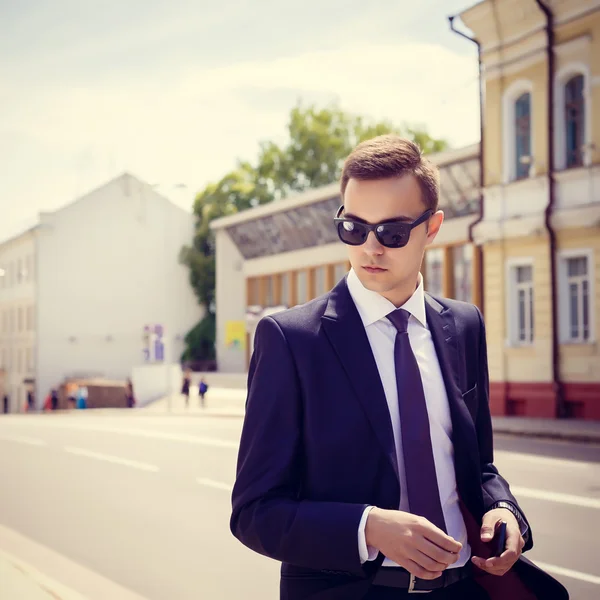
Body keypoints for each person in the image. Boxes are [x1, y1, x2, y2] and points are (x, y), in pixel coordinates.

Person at [230, 136, 568, 600]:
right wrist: (368, 528)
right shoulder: (291, 340)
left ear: (432, 229)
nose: (370, 248)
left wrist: (503, 509)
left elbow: (479, 466)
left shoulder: (464, 325)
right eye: (353, 228)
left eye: (391, 233)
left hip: (464, 588)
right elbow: (255, 511)